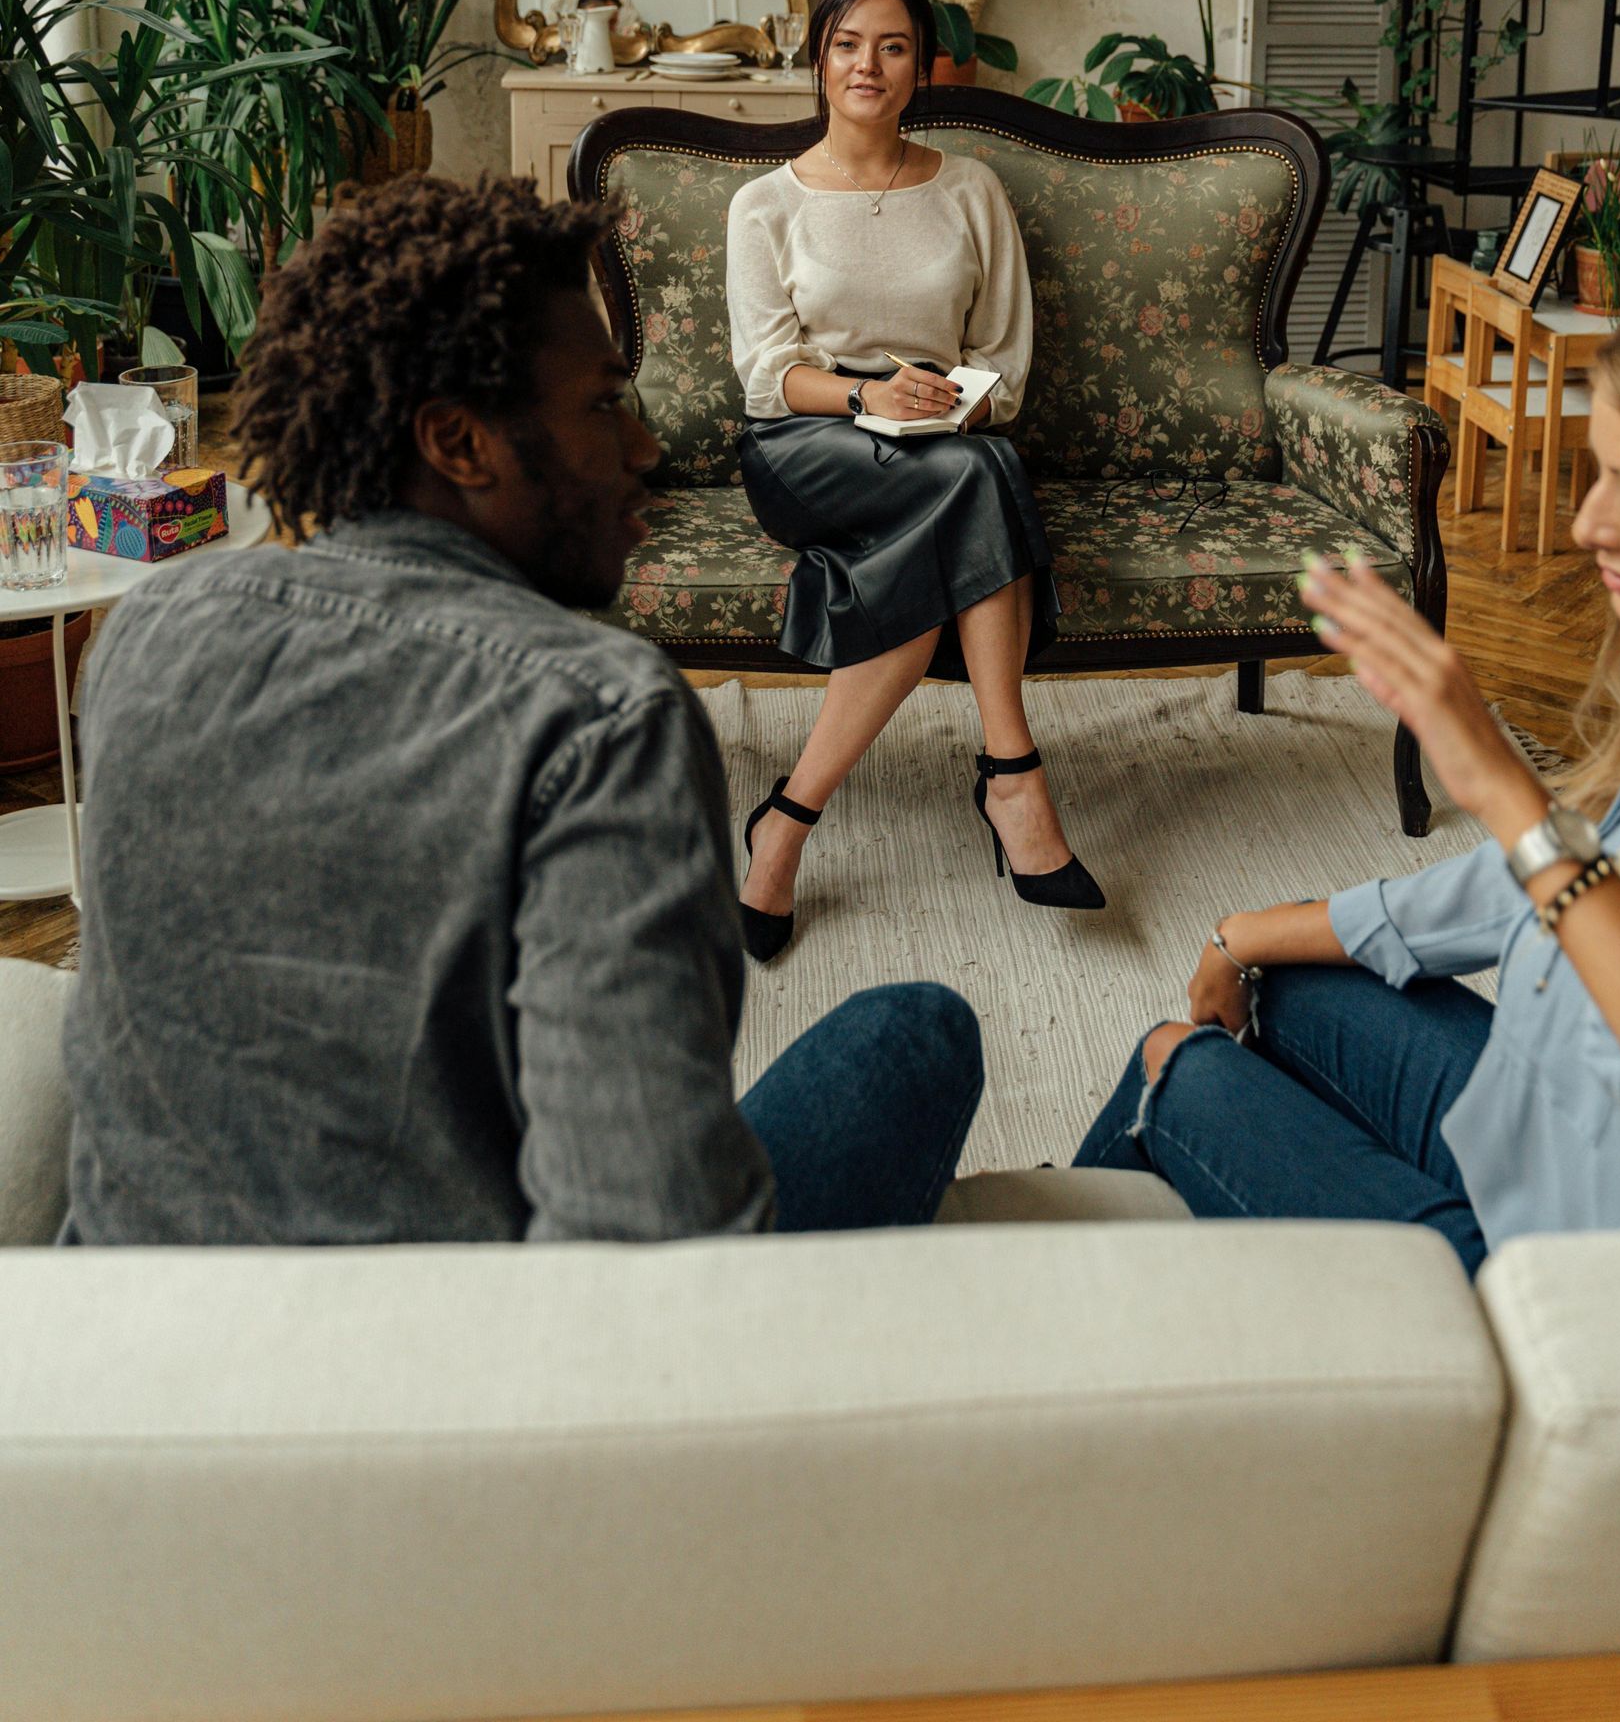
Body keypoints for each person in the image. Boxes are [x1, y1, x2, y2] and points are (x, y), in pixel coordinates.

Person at [62, 174, 982, 1246]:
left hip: (129, 1345)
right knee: (916, 1032)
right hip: (466, 1362)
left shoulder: (142, 635)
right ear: (458, 444)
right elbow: (649, 1250)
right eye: (602, 405)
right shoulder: (601, 722)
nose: (643, 452)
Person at [1076, 275, 1620, 1270]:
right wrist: (1245, 932)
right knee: (1289, 981)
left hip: (1575, 1285)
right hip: (1559, 1153)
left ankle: (1014, 1322)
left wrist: (1511, 799)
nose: (1587, 528)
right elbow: (1543, 887)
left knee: (1177, 1066)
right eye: (1599, 476)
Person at [725, 0, 1103, 962]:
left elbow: (1005, 361)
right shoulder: (765, 204)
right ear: (819, 58)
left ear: (921, 66)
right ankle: (1011, 772)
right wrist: (865, 399)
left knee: (959, 491)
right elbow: (766, 376)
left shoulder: (970, 189)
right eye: (848, 44)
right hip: (806, 444)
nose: (868, 66)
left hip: (943, 429)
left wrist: (941, 402)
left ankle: (786, 822)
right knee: (982, 481)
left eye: (893, 46)